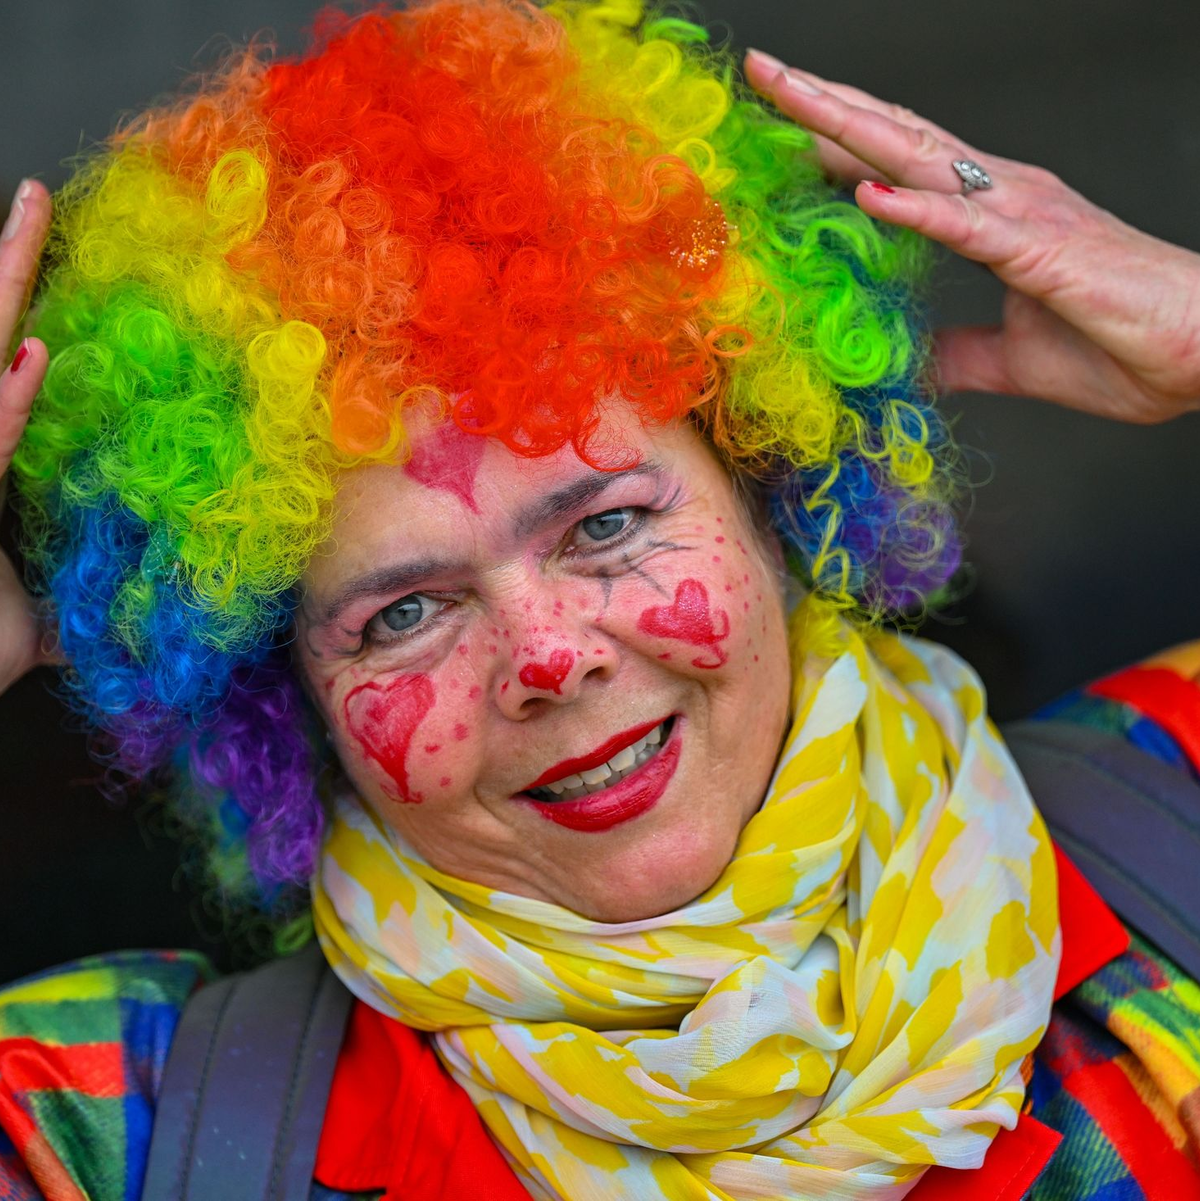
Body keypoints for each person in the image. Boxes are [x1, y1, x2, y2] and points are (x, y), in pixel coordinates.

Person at [0, 2, 1197, 1197]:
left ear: (766, 484)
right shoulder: (122, 1125)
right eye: (403, 613)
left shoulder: (1173, 808)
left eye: (607, 525)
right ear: (290, 692)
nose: (547, 657)